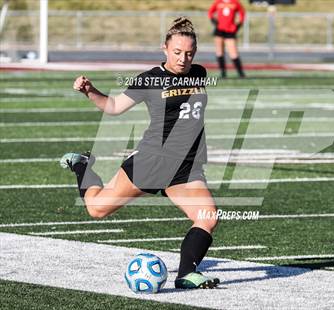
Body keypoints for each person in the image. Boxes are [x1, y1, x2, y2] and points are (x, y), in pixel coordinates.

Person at [60, 17, 220, 290]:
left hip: (186, 168)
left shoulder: (200, 73)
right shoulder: (150, 79)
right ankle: (83, 167)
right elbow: (113, 106)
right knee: (96, 210)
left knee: (208, 216)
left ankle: (186, 274)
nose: (183, 58)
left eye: (189, 53)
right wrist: (90, 91)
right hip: (152, 161)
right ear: (165, 49)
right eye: (177, 52)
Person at [208, 0, 246, 78]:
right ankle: (223, 73)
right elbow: (210, 12)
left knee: (233, 53)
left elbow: (242, 13)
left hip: (230, 31)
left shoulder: (235, 2)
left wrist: (238, 25)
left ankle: (241, 73)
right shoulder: (218, 2)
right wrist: (214, 21)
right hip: (219, 30)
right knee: (219, 52)